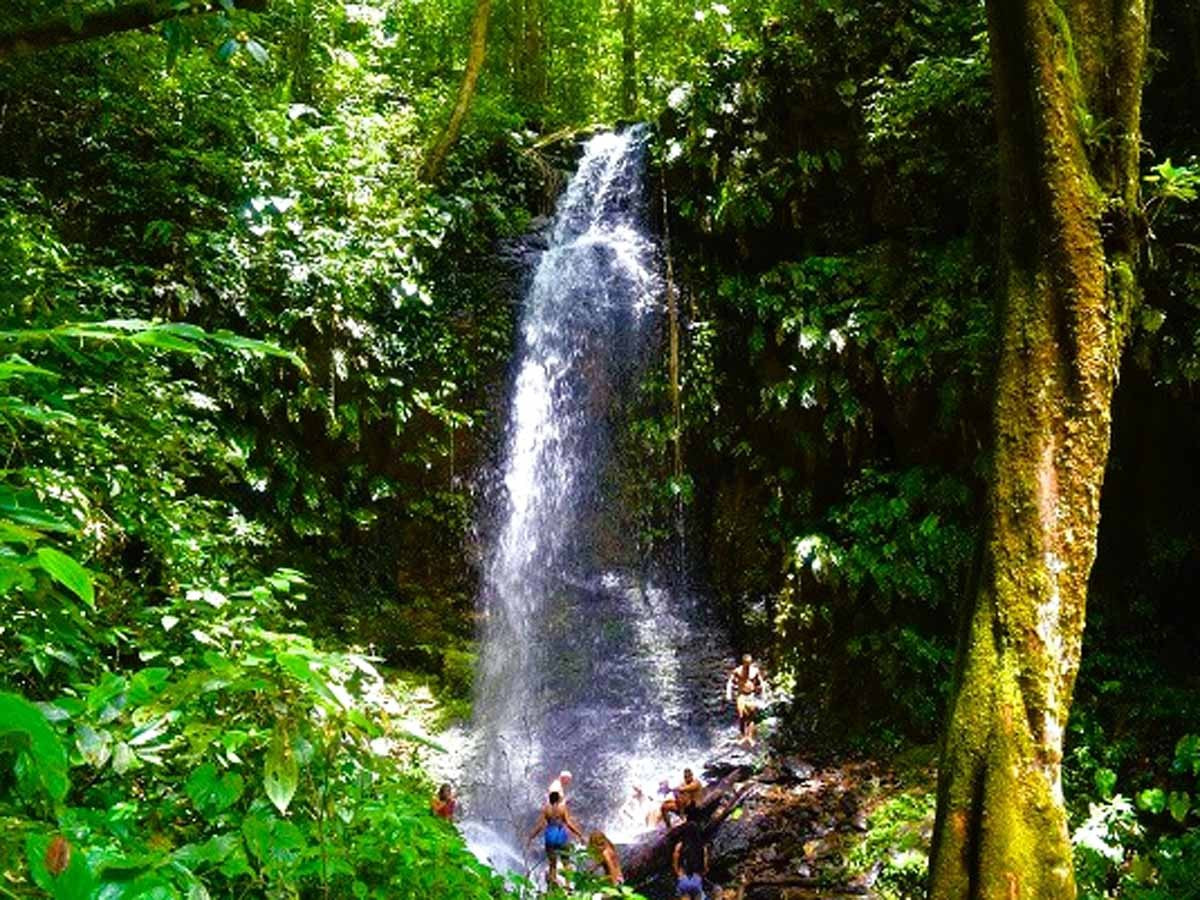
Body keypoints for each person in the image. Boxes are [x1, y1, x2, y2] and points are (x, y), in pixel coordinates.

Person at [528, 790, 583, 887]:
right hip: (560, 835)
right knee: (566, 863)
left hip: (550, 836)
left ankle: (552, 886)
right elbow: (568, 823)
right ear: (558, 799)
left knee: (552, 865)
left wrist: (532, 836)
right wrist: (579, 834)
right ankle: (568, 886)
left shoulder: (546, 809)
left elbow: (541, 825)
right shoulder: (562, 808)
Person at [725, 653, 767, 746]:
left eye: (749, 663)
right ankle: (743, 735)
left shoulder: (755, 671)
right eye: (746, 663)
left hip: (751, 695)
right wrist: (728, 694)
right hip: (741, 695)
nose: (748, 665)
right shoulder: (737, 671)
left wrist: (763, 694)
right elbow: (730, 682)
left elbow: (761, 682)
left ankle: (750, 737)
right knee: (741, 715)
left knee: (751, 716)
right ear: (743, 662)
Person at [672, 818, 708, 900]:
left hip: (683, 877)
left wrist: (677, 871)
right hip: (696, 878)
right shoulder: (702, 846)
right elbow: (705, 861)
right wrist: (703, 872)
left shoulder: (680, 845)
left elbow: (675, 857)